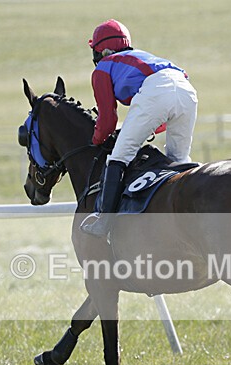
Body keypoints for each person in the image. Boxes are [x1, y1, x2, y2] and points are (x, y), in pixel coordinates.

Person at [81, 19, 198, 238]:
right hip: (186, 87)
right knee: (178, 158)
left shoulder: (104, 67)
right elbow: (162, 114)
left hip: (157, 91)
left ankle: (104, 222)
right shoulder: (141, 56)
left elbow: (107, 118)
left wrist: (96, 140)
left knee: (118, 157)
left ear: (104, 50)